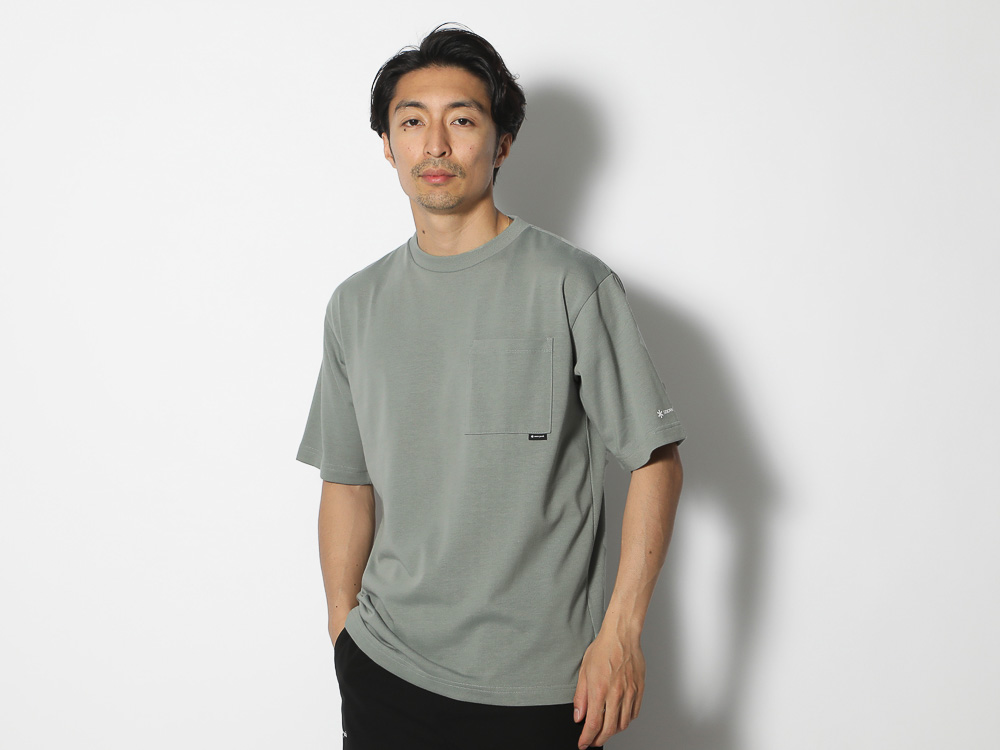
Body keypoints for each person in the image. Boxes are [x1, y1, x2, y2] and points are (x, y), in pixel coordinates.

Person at [295, 22, 686, 750]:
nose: (436, 145)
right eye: (413, 121)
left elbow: (654, 461)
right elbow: (345, 481)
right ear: (387, 144)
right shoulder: (355, 304)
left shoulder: (571, 283)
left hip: (541, 687)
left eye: (463, 120)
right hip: (385, 670)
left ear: (502, 143)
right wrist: (343, 631)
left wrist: (621, 633)